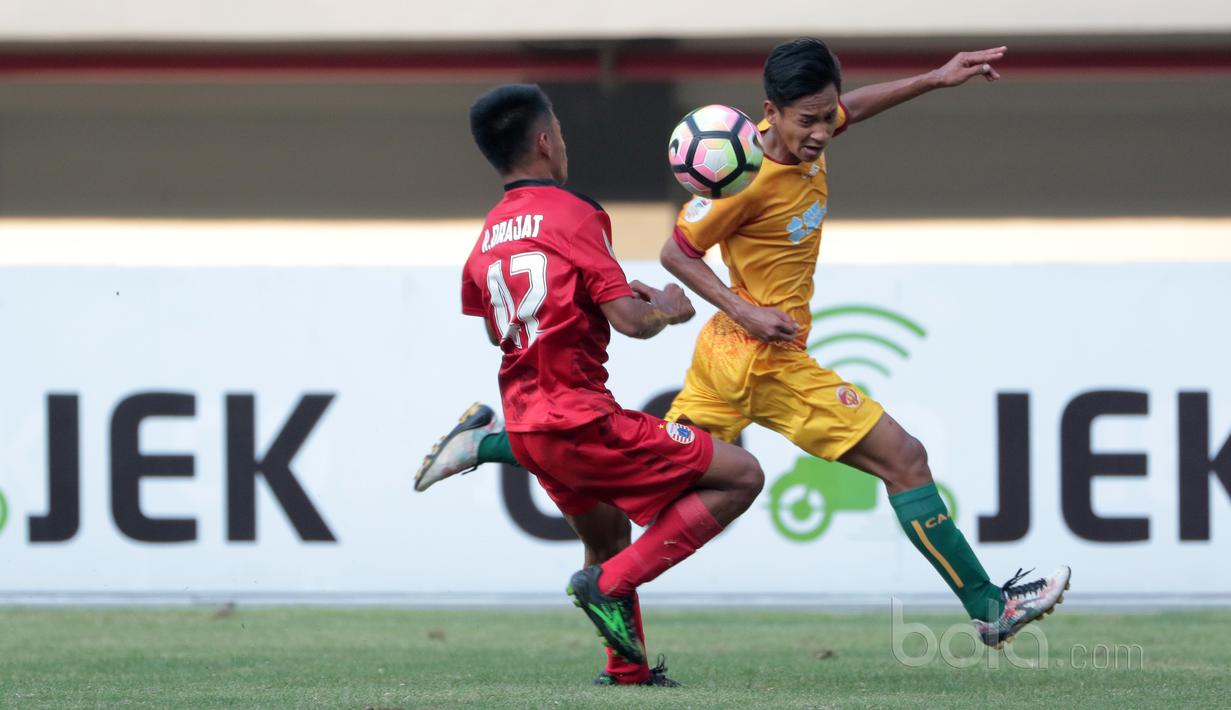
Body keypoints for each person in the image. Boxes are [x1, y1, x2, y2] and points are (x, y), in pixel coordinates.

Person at [423, 39, 1069, 652]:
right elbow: (676, 250)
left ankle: (512, 471)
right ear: (770, 114)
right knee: (904, 459)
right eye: (807, 120)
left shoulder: (810, 134)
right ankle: (989, 608)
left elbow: (854, 109)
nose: (821, 130)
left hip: (722, 361)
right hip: (767, 360)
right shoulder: (742, 178)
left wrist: (935, 77)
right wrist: (745, 309)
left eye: (826, 115)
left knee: (636, 484)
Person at [457, 84, 766, 685]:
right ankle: (609, 586)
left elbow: (525, 313)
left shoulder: (488, 234)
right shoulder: (575, 212)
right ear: (545, 142)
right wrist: (671, 311)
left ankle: (625, 671)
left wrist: (626, 290)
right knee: (742, 475)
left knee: (608, 535)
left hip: (527, 420)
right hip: (578, 418)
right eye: (562, 135)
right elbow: (631, 324)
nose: (565, 145)